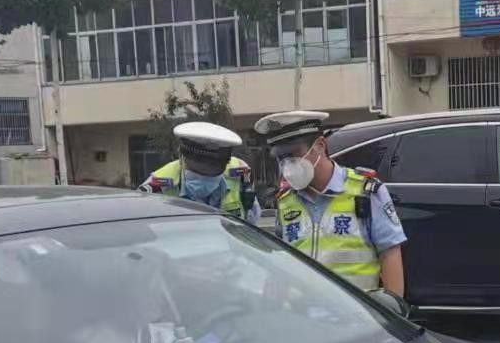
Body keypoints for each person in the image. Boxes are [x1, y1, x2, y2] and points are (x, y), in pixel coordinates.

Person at [251, 110, 406, 296]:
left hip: (356, 311)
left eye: (294, 154)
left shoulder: (365, 191)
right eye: (281, 158)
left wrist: (392, 308)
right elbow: (281, 263)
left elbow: (390, 255)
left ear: (320, 145)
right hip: (304, 311)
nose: (287, 165)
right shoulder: (285, 201)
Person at [139, 121, 258, 223]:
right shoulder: (157, 184)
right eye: (198, 170)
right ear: (182, 158)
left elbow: (251, 221)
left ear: (226, 162)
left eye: (214, 169)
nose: (206, 175)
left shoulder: (240, 172)